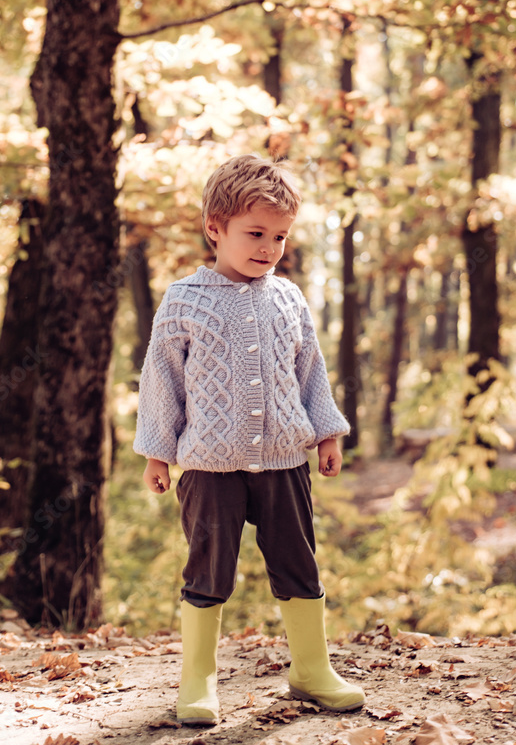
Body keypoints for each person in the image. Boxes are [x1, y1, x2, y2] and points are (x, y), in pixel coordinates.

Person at [134, 153, 365, 725]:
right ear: (215, 227)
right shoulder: (183, 300)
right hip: (210, 465)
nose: (268, 247)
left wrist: (328, 434)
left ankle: (311, 669)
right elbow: (160, 381)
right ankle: (199, 680)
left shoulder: (288, 297)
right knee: (209, 568)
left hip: (287, 459)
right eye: (255, 233)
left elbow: (310, 371)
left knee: (297, 562)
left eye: (279, 236)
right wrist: (158, 451)